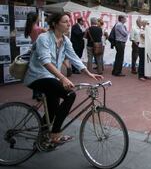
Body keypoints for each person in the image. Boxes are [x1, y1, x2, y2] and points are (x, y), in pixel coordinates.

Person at [24, 12, 103, 144]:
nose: (69, 24)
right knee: (69, 95)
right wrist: (62, 78)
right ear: (55, 24)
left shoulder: (65, 40)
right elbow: (45, 61)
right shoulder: (44, 38)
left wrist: (89, 73)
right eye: (65, 22)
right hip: (37, 76)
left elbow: (74, 58)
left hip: (51, 77)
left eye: (69, 21)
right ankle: (55, 133)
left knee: (53, 107)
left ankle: (41, 139)